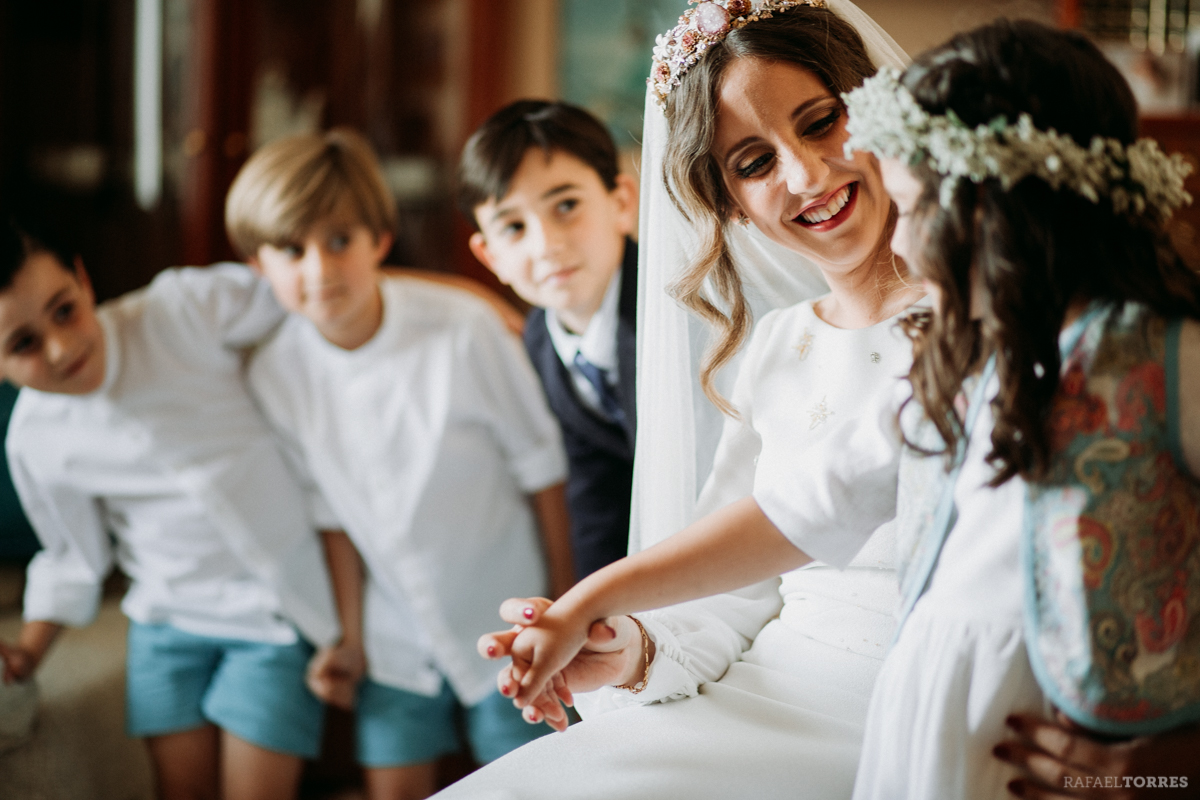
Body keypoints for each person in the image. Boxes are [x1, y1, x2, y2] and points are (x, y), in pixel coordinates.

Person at [434, 2, 917, 798]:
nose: (805, 176)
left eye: (823, 121)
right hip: (764, 691)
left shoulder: (990, 319)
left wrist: (602, 593)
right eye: (754, 163)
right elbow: (730, 595)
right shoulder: (777, 346)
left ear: (879, 104)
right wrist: (626, 644)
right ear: (726, 202)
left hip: (904, 710)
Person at [842, 20, 1200, 799]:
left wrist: (1176, 765)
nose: (896, 243)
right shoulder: (974, 362)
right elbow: (803, 499)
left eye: (907, 206)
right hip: (928, 743)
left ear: (997, 206)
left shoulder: (1169, 358)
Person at [226, 128, 574, 800]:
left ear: (380, 241)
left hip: (507, 618)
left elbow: (545, 473)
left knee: (538, 779)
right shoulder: (274, 372)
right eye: (291, 251)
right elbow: (333, 521)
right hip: (393, 639)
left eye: (339, 242)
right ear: (256, 266)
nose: (319, 271)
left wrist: (564, 607)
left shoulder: (465, 329)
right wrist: (347, 640)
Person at [0, 218, 342, 800]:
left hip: (271, 617)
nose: (61, 348)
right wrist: (28, 651)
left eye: (64, 310)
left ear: (83, 279)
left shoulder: (181, 308)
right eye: (23, 344)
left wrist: (463, 304)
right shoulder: (35, 440)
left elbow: (315, 290)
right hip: (165, 625)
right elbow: (72, 557)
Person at [459, 100, 639, 580]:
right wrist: (587, 611)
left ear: (621, 202)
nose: (546, 245)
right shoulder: (541, 340)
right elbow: (594, 488)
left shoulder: (677, 306)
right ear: (488, 254)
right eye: (514, 227)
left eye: (566, 206)